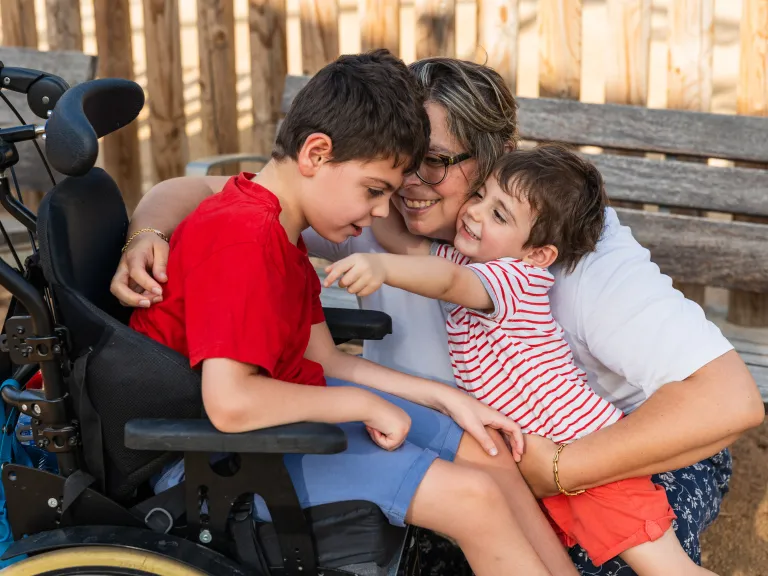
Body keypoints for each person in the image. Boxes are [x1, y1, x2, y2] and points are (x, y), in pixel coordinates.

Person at [111, 56, 765, 575]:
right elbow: (197, 195)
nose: (408, 188)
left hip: (620, 452)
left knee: (614, 559)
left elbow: (731, 402)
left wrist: (562, 469)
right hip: (462, 442)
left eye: (436, 162)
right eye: (395, 172)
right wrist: (149, 233)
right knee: (468, 518)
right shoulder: (350, 207)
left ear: (495, 159)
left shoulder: (567, 244)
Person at [127, 50, 576, 576]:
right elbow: (229, 403)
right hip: (212, 459)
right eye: (374, 190)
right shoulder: (242, 236)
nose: (383, 212)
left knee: (487, 452)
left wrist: (451, 400)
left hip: (272, 423)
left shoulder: (279, 228)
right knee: (471, 499)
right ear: (316, 153)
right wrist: (364, 406)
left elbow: (327, 361)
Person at [324, 144, 719, 574]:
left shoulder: (516, 277)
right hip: (547, 463)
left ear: (538, 253)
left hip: (586, 456)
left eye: (500, 215)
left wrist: (381, 270)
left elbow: (447, 281)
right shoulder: (472, 257)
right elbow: (403, 242)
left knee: (668, 569)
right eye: (480, 197)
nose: (475, 213)